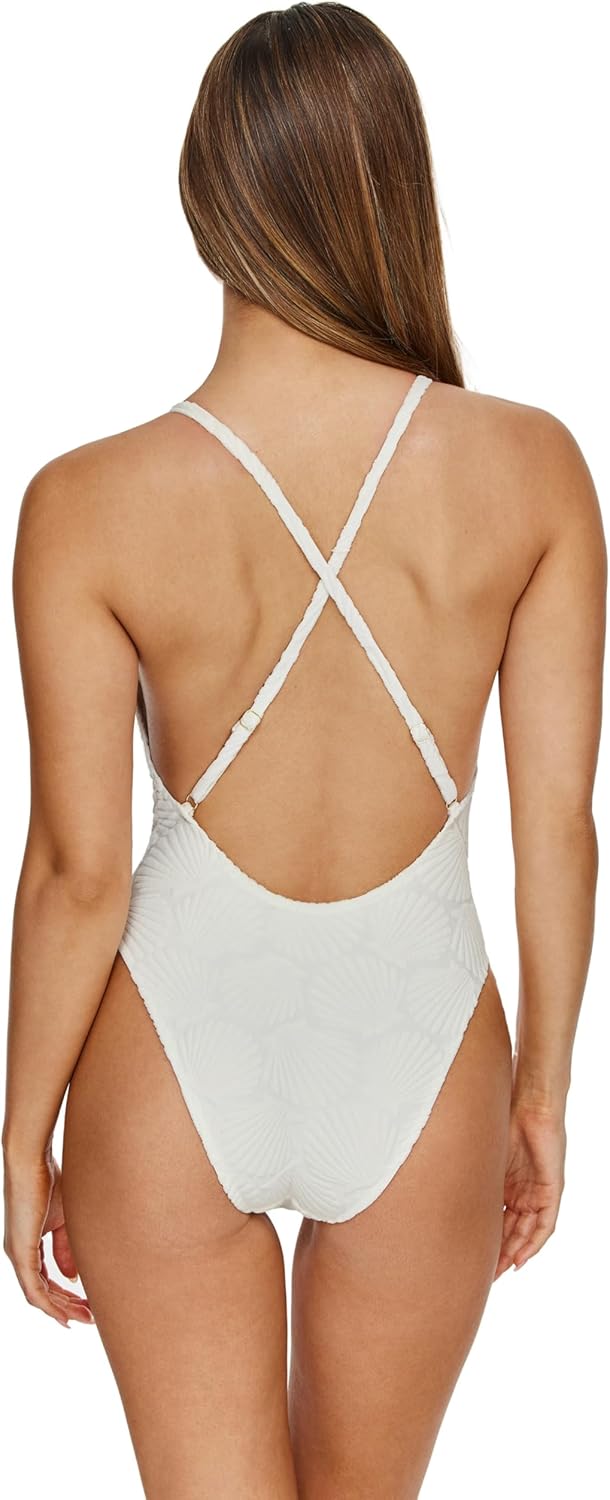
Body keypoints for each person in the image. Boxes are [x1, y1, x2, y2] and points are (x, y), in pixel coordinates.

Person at [3, 4, 605, 1497]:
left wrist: (20, 1131)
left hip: (168, 1049)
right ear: (397, 189)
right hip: (426, 1046)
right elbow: (557, 827)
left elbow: (79, 871)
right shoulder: (531, 469)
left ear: (204, 196)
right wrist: (540, 1093)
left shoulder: (85, 500)